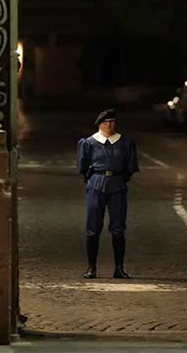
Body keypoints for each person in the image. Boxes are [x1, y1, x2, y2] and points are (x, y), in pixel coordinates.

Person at [76, 109, 139, 279]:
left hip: (117, 184)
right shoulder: (89, 143)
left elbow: (130, 167)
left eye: (112, 122)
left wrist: (119, 179)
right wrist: (92, 179)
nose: (109, 125)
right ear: (100, 124)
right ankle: (91, 268)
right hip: (96, 183)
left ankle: (119, 268)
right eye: (106, 122)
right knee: (93, 228)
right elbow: (82, 166)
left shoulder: (125, 142)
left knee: (118, 228)